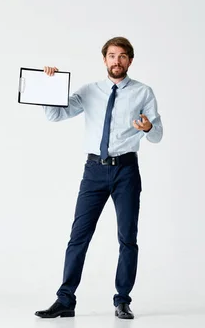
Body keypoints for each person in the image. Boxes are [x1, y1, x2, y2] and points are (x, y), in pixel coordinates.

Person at [34, 36, 163, 320]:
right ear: (104, 59)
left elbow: (157, 135)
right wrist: (49, 86)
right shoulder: (89, 91)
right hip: (93, 171)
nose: (117, 61)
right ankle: (65, 299)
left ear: (130, 60)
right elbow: (56, 116)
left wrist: (148, 126)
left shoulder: (143, 92)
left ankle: (122, 301)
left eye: (123, 56)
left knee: (127, 238)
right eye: (112, 55)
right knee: (78, 236)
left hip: (126, 170)